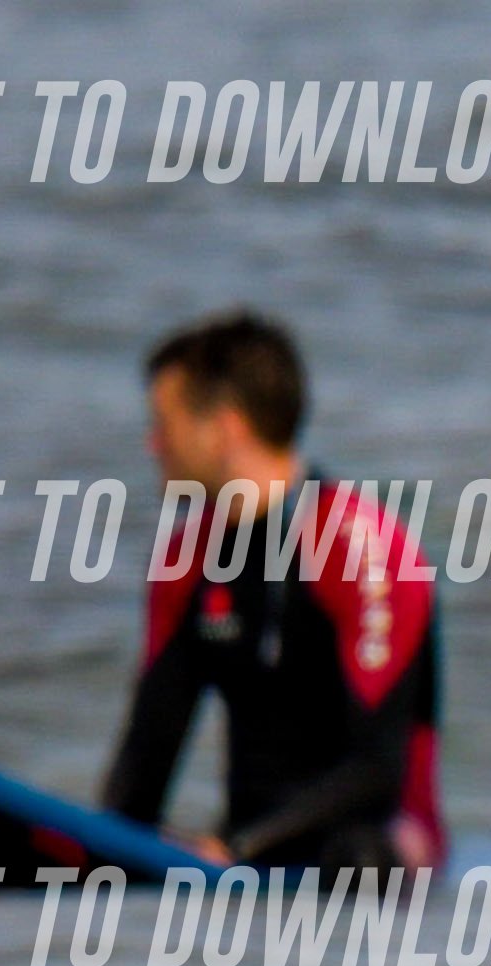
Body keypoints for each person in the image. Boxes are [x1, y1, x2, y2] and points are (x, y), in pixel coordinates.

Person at [96, 311, 442, 872]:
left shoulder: (364, 551)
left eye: (164, 423)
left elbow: (377, 774)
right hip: (246, 850)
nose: (152, 443)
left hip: (378, 847)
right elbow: (143, 771)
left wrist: (240, 849)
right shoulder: (185, 560)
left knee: (356, 858)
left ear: (225, 429)